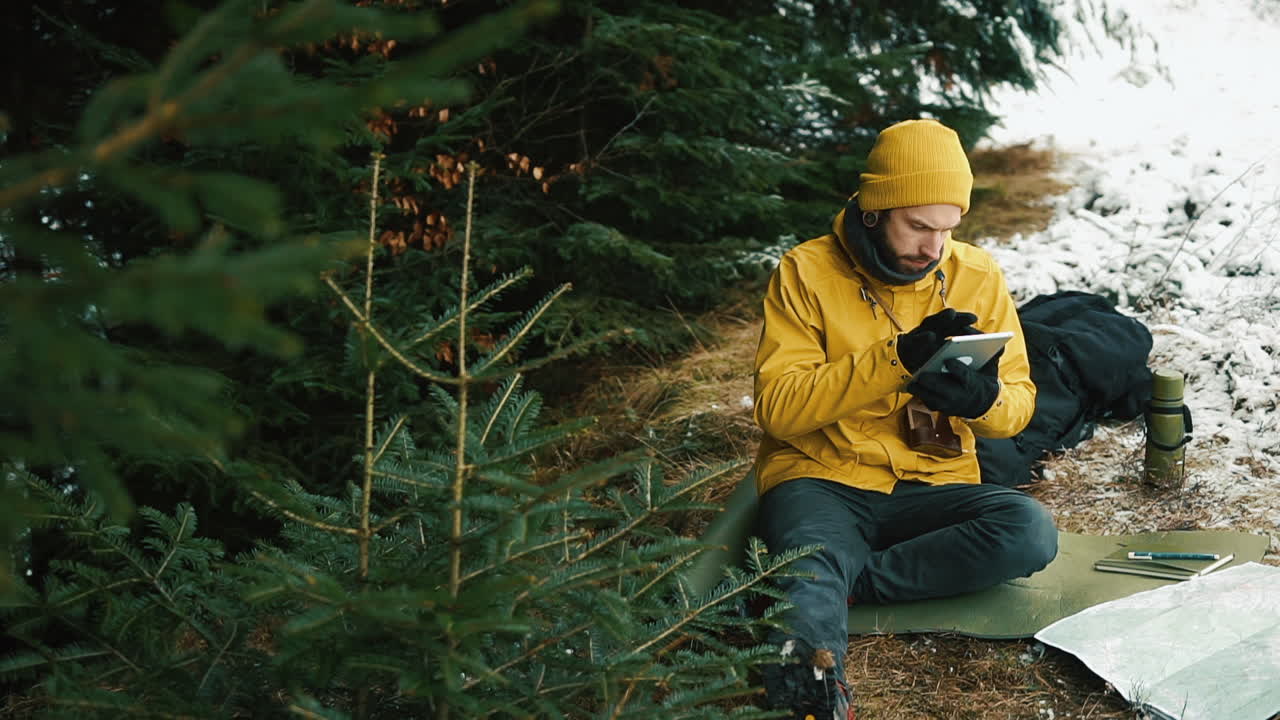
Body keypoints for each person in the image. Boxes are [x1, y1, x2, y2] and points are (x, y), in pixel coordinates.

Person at [752, 119, 1059, 719]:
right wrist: (894, 359)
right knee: (808, 564)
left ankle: (840, 582)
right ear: (873, 211)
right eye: (918, 226)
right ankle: (811, 696)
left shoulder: (977, 274)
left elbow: (1020, 405)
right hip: (822, 477)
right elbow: (778, 409)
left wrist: (980, 403)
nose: (933, 247)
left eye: (947, 229)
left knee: (1029, 531)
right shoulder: (805, 272)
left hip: (934, 483)